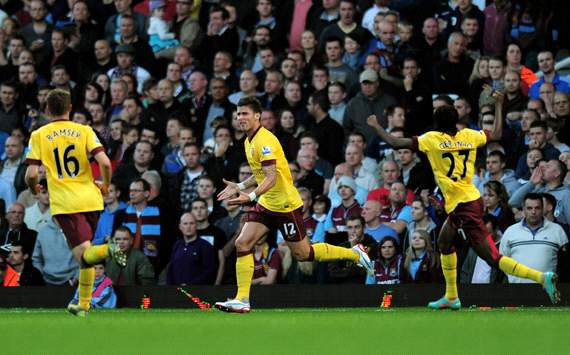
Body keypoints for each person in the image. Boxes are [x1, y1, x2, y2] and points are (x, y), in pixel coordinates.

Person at [367, 93, 561, 309]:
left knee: (493, 258)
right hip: (466, 199)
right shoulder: (469, 135)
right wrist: (498, 104)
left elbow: (394, 141)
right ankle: (451, 297)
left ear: (437, 124)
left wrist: (375, 125)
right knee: (443, 243)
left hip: (464, 206)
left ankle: (541, 278)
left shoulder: (432, 139)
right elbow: (496, 133)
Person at [215, 97, 373, 313]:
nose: (240, 118)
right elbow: (261, 174)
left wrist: (250, 196)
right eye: (238, 114)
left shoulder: (265, 141)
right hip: (267, 203)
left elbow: (270, 178)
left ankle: (355, 253)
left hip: (285, 205)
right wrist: (240, 184)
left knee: (303, 254)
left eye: (244, 114)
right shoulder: (248, 141)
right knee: (242, 243)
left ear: (257, 116)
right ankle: (242, 299)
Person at [24, 89, 124, 317]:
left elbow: (31, 174)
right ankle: (83, 305)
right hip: (91, 199)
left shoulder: (39, 135)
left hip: (66, 204)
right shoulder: (85, 130)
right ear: (70, 108)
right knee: (84, 254)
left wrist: (34, 188)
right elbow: (105, 163)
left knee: (84, 254)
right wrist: (106, 184)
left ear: (47, 109)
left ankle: (109, 248)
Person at [500, 194, 568, 284]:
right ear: (523, 210)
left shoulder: (557, 230)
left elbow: (566, 261)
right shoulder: (511, 231)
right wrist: (514, 278)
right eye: (529, 208)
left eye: (537, 208)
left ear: (542, 209)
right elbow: (502, 259)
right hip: (517, 290)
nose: (533, 212)